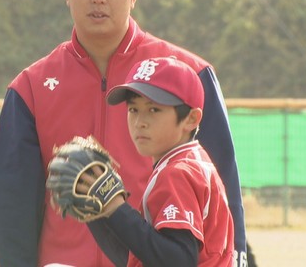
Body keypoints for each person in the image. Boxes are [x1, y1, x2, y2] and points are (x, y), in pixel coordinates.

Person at [0, 0, 248, 266]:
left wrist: (240, 256)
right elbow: (13, 201)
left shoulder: (189, 74)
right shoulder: (30, 86)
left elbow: (222, 186)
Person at [81, 56, 234, 266]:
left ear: (191, 119)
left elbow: (178, 260)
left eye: (154, 109)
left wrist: (116, 206)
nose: (140, 122)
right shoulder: (193, 161)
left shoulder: (178, 172)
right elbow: (139, 255)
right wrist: (101, 214)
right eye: (133, 109)